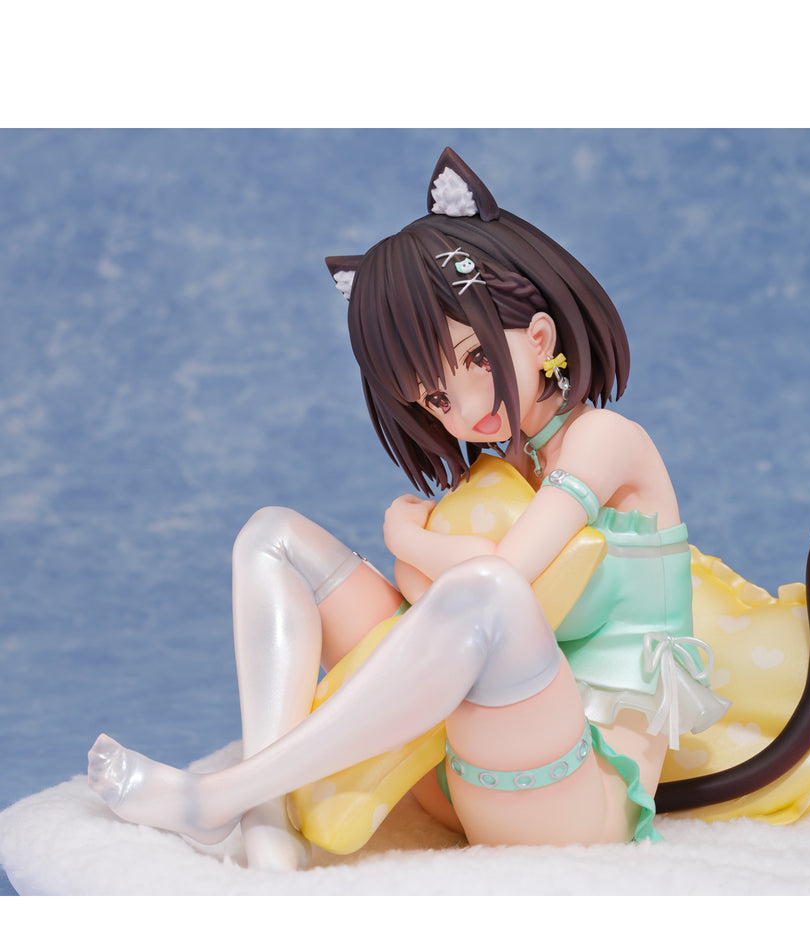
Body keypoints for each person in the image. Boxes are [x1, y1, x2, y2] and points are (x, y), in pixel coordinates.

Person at [87, 148, 728, 870]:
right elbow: (435, 603)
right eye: (436, 397)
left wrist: (403, 534)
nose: (465, 409)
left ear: (540, 337)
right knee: (273, 537)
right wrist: (422, 561)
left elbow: (503, 578)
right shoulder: (503, 472)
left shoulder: (604, 440)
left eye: (477, 359)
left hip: (576, 799)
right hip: (458, 775)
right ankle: (266, 821)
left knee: (488, 591)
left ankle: (219, 797)